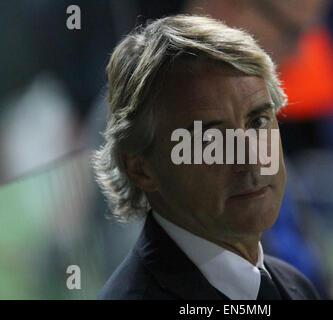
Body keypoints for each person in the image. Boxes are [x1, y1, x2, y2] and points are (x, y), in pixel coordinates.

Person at [93, 14, 319, 300]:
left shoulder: (294, 286)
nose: (251, 159)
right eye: (210, 138)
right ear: (141, 169)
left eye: (259, 122)